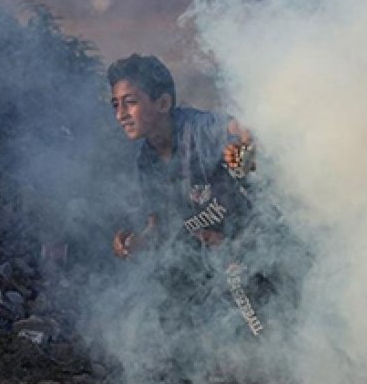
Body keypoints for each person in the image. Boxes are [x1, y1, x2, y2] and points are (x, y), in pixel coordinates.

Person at [106, 54, 269, 340]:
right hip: (216, 254)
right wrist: (135, 242)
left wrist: (245, 150)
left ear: (163, 103)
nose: (120, 114)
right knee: (168, 278)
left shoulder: (197, 129)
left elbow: (242, 130)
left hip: (262, 242)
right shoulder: (147, 160)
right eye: (116, 104)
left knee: (242, 288)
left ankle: (280, 355)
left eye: (130, 102)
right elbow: (161, 223)